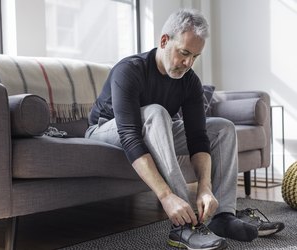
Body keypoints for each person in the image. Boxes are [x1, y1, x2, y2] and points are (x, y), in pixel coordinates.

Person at [85, 8, 284, 250]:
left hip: (154, 127)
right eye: (184, 53)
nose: (188, 63)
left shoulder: (190, 81)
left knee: (222, 128)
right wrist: (167, 197)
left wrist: (205, 187)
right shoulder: (129, 71)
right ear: (164, 41)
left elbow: (198, 137)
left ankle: (223, 216)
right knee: (157, 112)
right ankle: (184, 226)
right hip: (106, 130)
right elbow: (130, 137)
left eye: (195, 57)